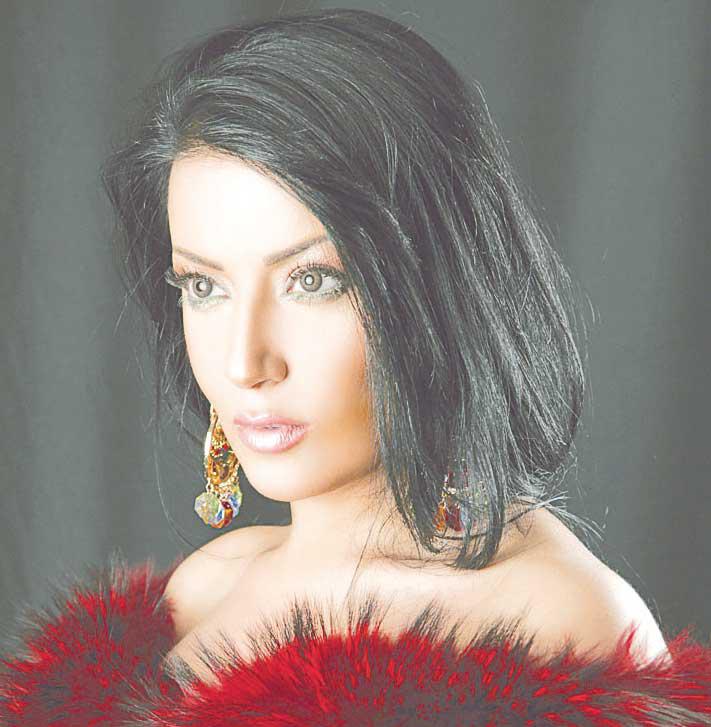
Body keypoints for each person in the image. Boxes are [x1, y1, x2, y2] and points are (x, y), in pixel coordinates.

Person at [1, 8, 710, 725]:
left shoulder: (558, 622)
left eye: (312, 281)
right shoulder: (203, 588)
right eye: (204, 286)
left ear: (435, 285)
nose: (245, 361)